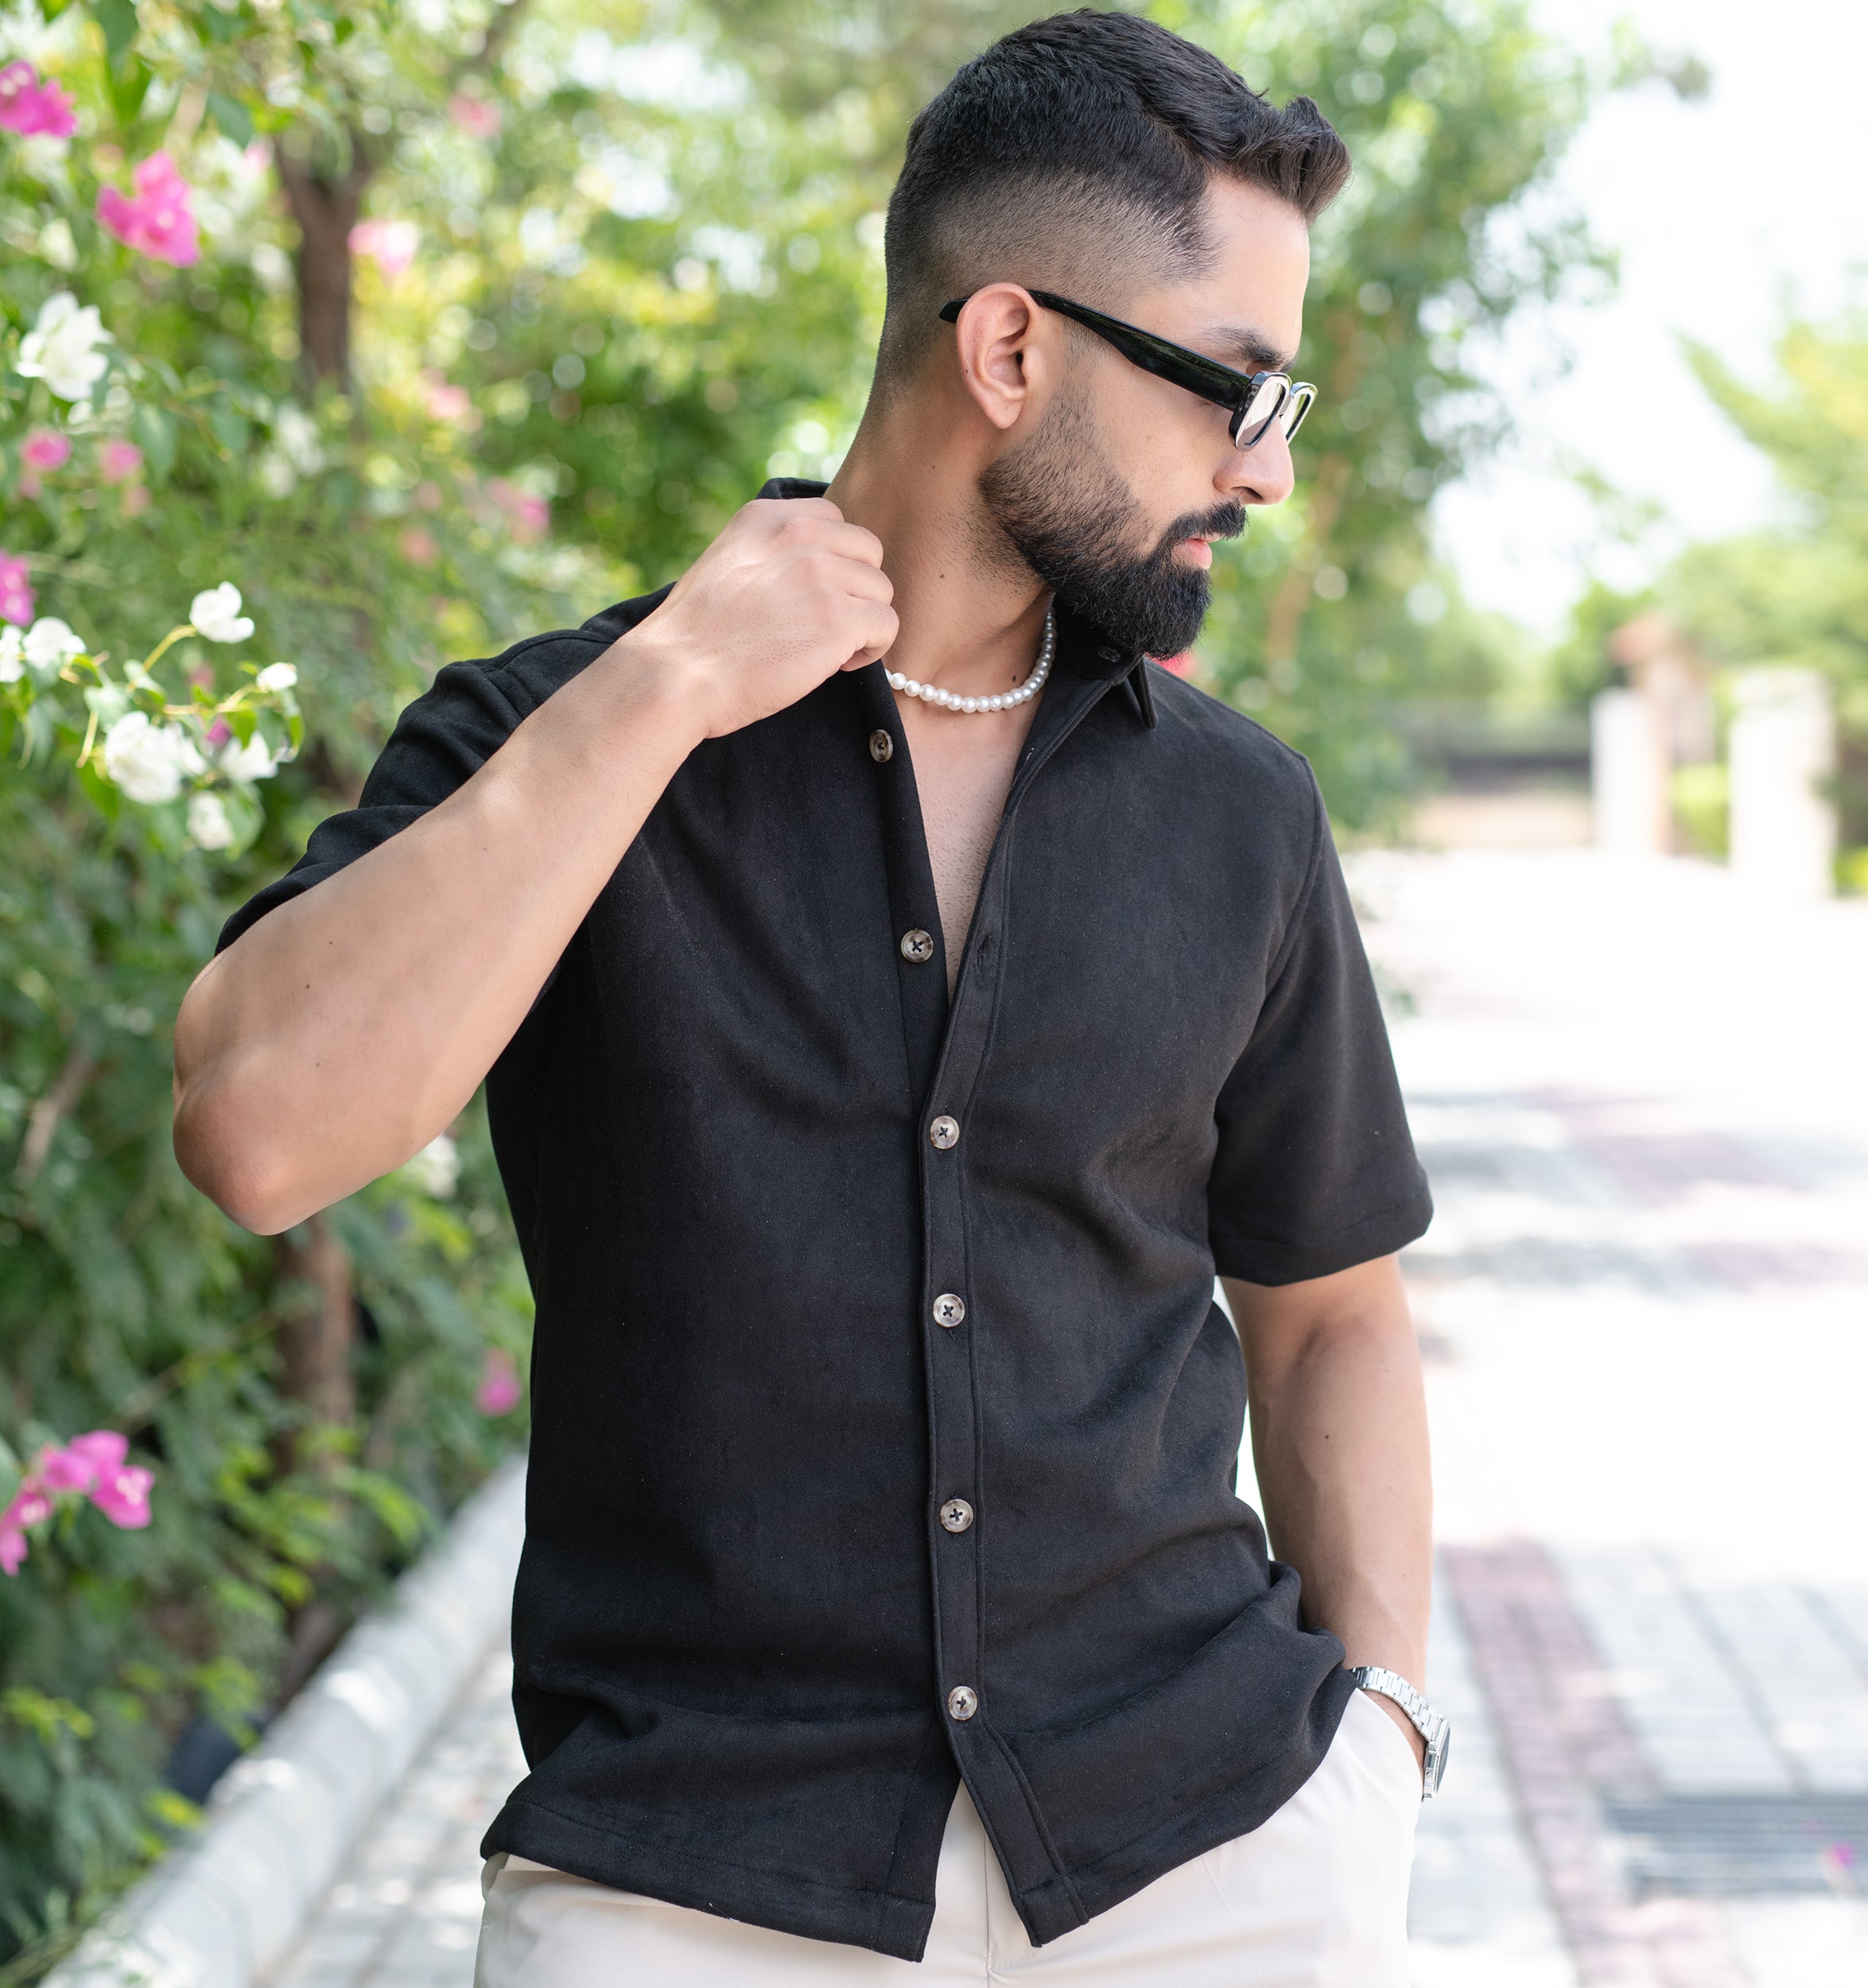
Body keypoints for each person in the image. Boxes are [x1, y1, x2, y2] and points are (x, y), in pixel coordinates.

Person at [172, 11, 1447, 1983]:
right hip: (687, 1885)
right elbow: (256, 1131)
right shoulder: (559, 735)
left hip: (1211, 1856)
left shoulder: (1238, 814)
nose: (1261, 472)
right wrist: (670, 685)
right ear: (1008, 350)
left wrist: (1378, 1752)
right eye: (1235, 392)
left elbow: (1331, 1312)